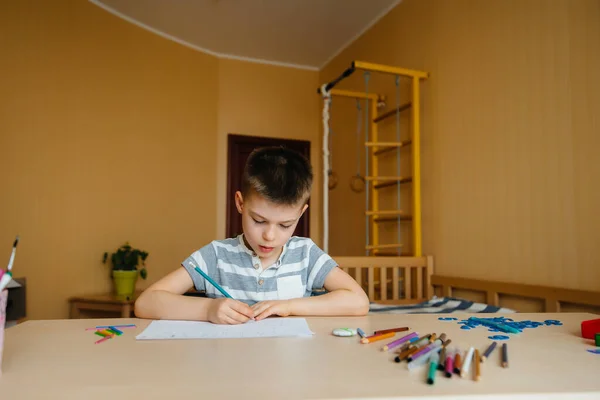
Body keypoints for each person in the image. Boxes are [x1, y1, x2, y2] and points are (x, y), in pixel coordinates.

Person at [135, 146, 370, 324]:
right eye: (259, 220)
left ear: (301, 214)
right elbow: (146, 303)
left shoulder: (306, 254)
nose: (269, 235)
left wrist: (289, 306)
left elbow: (358, 301)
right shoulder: (217, 255)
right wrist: (207, 310)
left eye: (285, 225)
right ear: (240, 203)